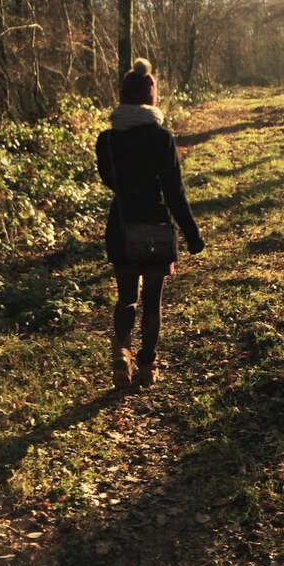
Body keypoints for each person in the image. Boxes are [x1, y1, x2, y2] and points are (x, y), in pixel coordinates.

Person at [96, 58, 204, 389]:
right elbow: (174, 192)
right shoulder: (162, 138)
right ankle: (146, 367)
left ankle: (121, 356)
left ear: (123, 97)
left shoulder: (107, 141)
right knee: (153, 301)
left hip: (123, 227)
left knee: (127, 298)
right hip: (156, 229)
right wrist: (192, 234)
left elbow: (109, 182)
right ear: (151, 96)